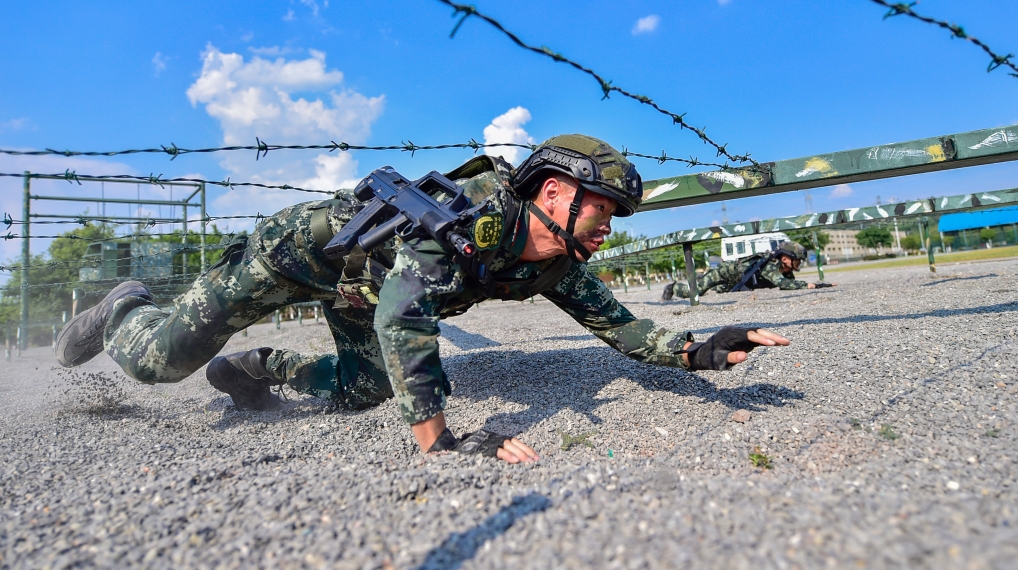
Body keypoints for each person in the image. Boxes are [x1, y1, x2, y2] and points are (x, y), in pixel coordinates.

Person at [56, 135, 791, 464]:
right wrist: (437, 441)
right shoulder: (473, 220)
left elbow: (621, 328)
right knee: (159, 363)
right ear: (558, 193)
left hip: (360, 288)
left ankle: (261, 368)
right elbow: (403, 314)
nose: (605, 230)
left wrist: (696, 352)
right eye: (602, 213)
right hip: (296, 256)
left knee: (367, 389)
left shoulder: (553, 257)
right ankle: (123, 305)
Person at [662, 241, 827, 301]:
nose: (799, 263)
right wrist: (809, 286)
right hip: (724, 272)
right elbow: (783, 284)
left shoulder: (782, 269)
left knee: (715, 292)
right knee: (695, 293)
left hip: (735, 282)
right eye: (797, 260)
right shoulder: (770, 267)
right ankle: (673, 287)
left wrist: (822, 285)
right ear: (785, 259)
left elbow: (789, 281)